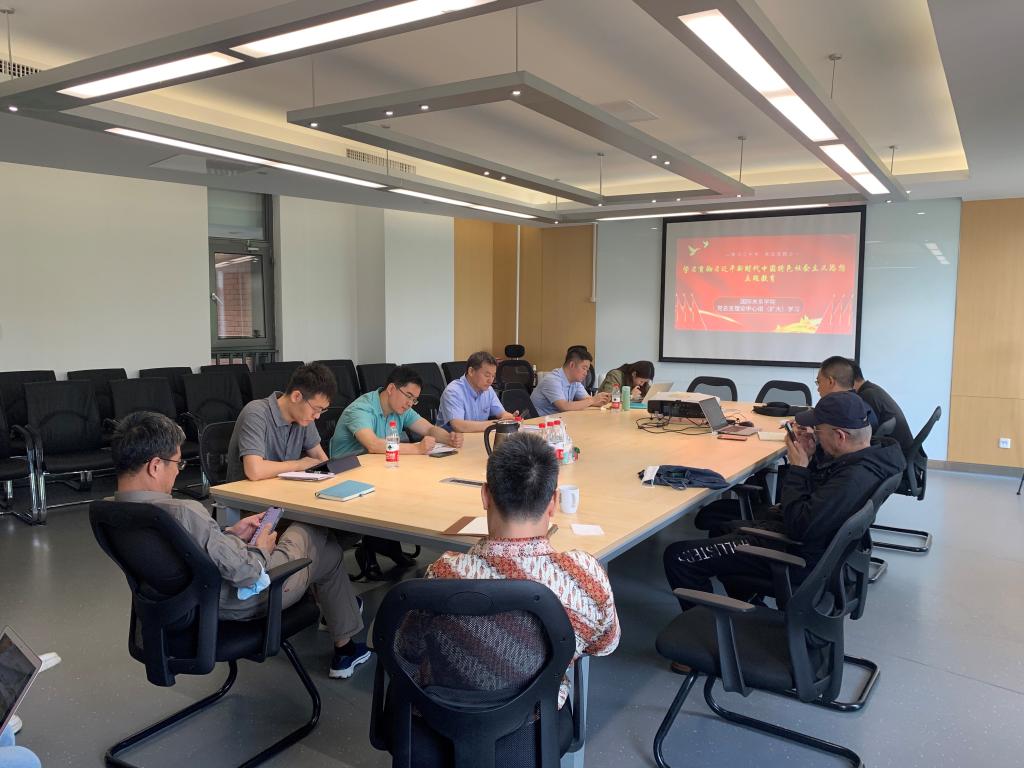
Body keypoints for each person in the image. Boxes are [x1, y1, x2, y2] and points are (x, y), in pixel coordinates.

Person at [111, 411, 370, 679]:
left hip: (184, 604)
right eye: (178, 464)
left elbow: (183, 550)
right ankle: (344, 645)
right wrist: (261, 547)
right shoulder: (182, 512)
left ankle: (345, 644)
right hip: (244, 598)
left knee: (328, 554)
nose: (177, 471)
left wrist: (228, 533)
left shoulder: (112, 514)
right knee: (313, 530)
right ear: (155, 466)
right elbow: (247, 574)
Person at [424, 432, 620, 712]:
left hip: (448, 716)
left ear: (485, 495)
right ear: (553, 502)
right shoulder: (584, 576)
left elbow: (410, 646)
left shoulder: (443, 573)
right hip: (537, 722)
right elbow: (605, 644)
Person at [664, 391, 905, 609]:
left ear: (840, 436)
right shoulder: (866, 459)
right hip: (816, 547)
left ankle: (707, 634)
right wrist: (812, 456)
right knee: (721, 527)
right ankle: (748, 609)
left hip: (800, 558)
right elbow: (818, 500)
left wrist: (798, 468)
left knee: (679, 556)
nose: (815, 434)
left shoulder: (852, 479)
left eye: (818, 430)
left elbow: (799, 525)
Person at [226, 362, 335, 482]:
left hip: (282, 488)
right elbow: (254, 471)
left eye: (321, 410)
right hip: (245, 492)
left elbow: (322, 461)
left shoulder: (304, 418)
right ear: (296, 396)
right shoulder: (256, 413)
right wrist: (298, 465)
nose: (317, 416)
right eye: (316, 409)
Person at [330, 365, 463, 457]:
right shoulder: (361, 409)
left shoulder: (401, 409)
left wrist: (449, 438)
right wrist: (416, 448)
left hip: (379, 465)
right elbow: (373, 445)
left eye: (414, 400)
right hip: (347, 472)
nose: (410, 403)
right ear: (391, 389)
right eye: (408, 396)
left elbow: (429, 429)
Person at [435, 351, 516, 432]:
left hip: (477, 437)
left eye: (493, 376)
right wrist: (498, 423)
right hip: (449, 438)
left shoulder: (489, 390)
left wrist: (509, 418)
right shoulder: (453, 391)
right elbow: (459, 426)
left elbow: (501, 413)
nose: (490, 381)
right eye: (487, 375)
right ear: (471, 371)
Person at [851, 361, 916, 456]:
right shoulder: (872, 389)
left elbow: (863, 436)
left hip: (897, 454)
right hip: (901, 451)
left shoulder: (867, 395)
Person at [530, 347, 610, 417]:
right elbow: (564, 407)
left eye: (587, 370)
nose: (586, 373)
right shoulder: (552, 380)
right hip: (539, 423)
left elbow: (587, 400)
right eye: (584, 368)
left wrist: (601, 400)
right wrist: (593, 400)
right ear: (572, 365)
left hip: (559, 421)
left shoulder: (575, 382)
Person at [814, 356, 878, 430]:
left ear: (831, 381)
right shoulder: (861, 405)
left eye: (819, 382)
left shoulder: (836, 407)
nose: (818, 389)